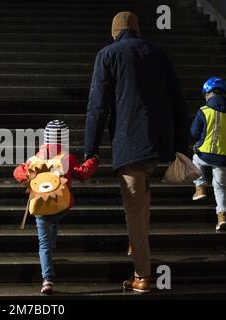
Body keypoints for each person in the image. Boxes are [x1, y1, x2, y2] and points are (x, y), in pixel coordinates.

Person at [84, 12, 189, 293]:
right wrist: (181, 146)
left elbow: (97, 106)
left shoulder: (108, 55)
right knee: (143, 196)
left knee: (133, 206)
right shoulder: (159, 53)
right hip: (160, 145)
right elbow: (178, 100)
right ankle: (137, 241)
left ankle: (142, 275)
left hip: (131, 144)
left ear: (114, 32)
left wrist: (90, 150)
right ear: (138, 30)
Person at [14, 120, 99, 295]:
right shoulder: (67, 158)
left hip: (40, 208)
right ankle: (52, 247)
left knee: (43, 244)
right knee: (54, 220)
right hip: (62, 207)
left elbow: (18, 172)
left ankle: (47, 280)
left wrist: (27, 178)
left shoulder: (34, 160)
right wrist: (94, 160)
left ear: (45, 139)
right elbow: (82, 172)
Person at [191, 77, 226, 231]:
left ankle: (200, 187)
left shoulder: (203, 111)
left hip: (205, 154)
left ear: (207, 93)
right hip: (225, 158)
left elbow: (193, 133)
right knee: (219, 187)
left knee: (195, 159)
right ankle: (222, 217)